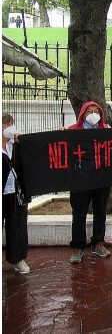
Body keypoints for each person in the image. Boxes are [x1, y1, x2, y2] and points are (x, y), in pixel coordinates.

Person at [68, 101, 111, 263]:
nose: (93, 114)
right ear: (82, 115)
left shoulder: (106, 131)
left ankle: (98, 242)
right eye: (89, 111)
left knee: (100, 210)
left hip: (101, 179)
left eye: (96, 111)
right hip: (80, 181)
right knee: (79, 213)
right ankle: (78, 247)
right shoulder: (72, 131)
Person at [2, 114, 30, 274]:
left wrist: (21, 144)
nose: (9, 127)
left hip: (15, 193)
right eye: (6, 124)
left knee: (17, 226)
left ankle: (18, 259)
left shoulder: (16, 144)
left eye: (11, 124)